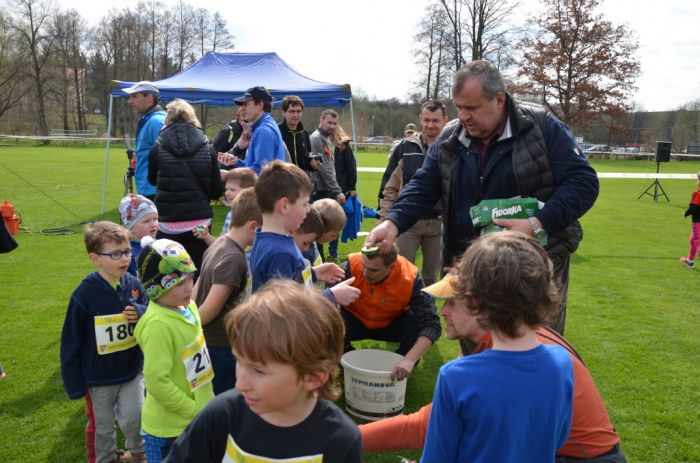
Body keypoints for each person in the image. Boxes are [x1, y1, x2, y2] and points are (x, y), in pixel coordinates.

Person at [366, 60, 599, 335]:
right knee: (476, 349)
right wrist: (392, 223)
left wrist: (537, 224)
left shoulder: (541, 126)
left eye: (471, 108)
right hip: (470, 265)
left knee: (529, 349)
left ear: (498, 99)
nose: (463, 116)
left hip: (530, 270)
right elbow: (422, 185)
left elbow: (583, 183)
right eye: (459, 107)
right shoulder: (450, 137)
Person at [360, 273, 625, 462]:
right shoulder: (521, 339)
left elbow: (424, 427)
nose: (443, 311)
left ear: (481, 306)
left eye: (452, 301)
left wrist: (347, 437)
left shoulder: (501, 358)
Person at [164, 280, 362, 462]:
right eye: (239, 361)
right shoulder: (222, 416)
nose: (240, 384)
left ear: (313, 377)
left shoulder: (340, 440)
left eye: (259, 371)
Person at [421, 232, 574, 462]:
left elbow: (437, 457)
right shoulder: (562, 363)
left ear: (475, 302)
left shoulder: (457, 377)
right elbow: (559, 438)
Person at [60, 221, 148, 463]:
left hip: (132, 371)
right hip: (99, 379)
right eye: (116, 254)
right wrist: (75, 384)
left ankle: (139, 456)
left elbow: (150, 310)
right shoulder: (83, 295)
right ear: (95, 258)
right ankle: (105, 459)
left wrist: (140, 311)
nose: (125, 258)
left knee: (135, 417)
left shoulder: (133, 284)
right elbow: (70, 342)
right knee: (103, 427)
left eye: (128, 251)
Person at [134, 237, 215, 462]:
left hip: (197, 419)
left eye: (190, 278)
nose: (188, 287)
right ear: (155, 287)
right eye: (178, 282)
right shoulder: (158, 325)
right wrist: (193, 409)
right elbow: (157, 381)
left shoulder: (189, 307)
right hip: (169, 431)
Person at [249, 160, 359, 306]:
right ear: (284, 205)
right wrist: (330, 296)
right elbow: (285, 309)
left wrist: (313, 273)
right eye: (304, 204)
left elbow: (288, 281)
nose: (308, 209)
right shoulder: (281, 253)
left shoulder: (266, 239)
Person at [336, 244, 441, 381]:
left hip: (391, 322)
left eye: (374, 270)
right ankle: (345, 360)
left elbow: (432, 324)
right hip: (354, 320)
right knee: (328, 321)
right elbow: (320, 306)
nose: (365, 273)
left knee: (415, 325)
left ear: (391, 267)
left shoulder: (410, 278)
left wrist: (409, 360)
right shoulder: (349, 266)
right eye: (364, 266)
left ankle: (399, 367)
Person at [193, 188, 261, 395]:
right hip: (220, 345)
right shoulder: (234, 259)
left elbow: (195, 291)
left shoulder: (220, 243)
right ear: (253, 227)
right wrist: (189, 330)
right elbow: (210, 309)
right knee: (223, 398)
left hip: (209, 341)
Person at [148, 99, 224, 274]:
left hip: (167, 222)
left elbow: (152, 180)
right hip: (199, 223)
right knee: (198, 274)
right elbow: (216, 190)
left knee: (169, 276)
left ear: (168, 119)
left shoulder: (157, 148)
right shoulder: (208, 148)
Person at [378, 100, 449, 286]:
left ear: (445, 120)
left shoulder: (452, 147)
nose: (430, 125)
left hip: (439, 225)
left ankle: (427, 315)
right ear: (420, 119)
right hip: (408, 223)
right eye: (426, 120)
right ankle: (403, 314)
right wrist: (385, 218)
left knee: (431, 280)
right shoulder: (405, 147)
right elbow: (389, 187)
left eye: (435, 120)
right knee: (401, 274)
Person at [231, 86, 287, 174]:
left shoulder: (263, 131)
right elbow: (255, 166)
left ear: (260, 105)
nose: (242, 108)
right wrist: (236, 162)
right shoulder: (266, 125)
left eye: (246, 104)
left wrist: (229, 175)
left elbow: (261, 172)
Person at [124, 81, 166, 199]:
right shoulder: (149, 119)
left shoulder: (156, 122)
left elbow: (168, 159)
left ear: (149, 98)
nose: (130, 101)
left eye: (134, 96)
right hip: (150, 189)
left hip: (156, 191)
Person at [329, 123, 358, 260]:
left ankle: (333, 249)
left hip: (340, 189)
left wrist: (351, 188)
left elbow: (351, 166)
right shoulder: (319, 141)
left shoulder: (343, 146)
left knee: (335, 220)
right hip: (325, 187)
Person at [309, 109, 345, 204]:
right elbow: (322, 167)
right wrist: (337, 191)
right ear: (321, 120)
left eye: (335, 123)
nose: (332, 126)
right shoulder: (317, 139)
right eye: (329, 122)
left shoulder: (326, 138)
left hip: (326, 189)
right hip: (320, 191)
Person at [119, 193, 159, 277]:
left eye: (155, 219)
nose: (153, 224)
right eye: (146, 221)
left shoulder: (160, 244)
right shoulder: (128, 253)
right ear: (131, 228)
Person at [278, 95, 312, 171]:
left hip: (301, 180)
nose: (296, 115)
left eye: (299, 111)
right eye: (292, 111)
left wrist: (313, 165)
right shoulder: (276, 132)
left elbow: (308, 158)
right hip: (282, 180)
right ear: (284, 112)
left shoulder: (304, 133)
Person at [312, 197, 348, 264]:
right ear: (320, 229)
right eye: (333, 235)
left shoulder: (313, 245)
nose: (335, 238)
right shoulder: (304, 250)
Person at [680, 171, 700, 268]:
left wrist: (686, 213)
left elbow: (693, 208)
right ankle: (690, 261)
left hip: (698, 222)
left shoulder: (697, 194)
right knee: (693, 240)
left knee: (698, 243)